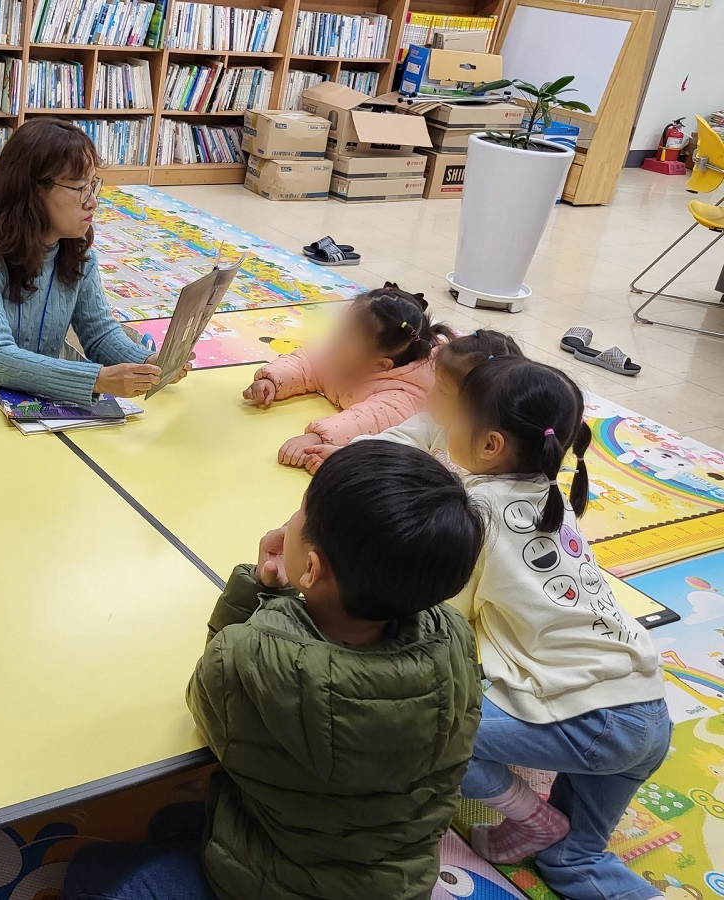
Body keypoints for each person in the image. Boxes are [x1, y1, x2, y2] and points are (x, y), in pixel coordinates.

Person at [64, 441, 485, 900]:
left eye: (302, 510)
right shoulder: (454, 637)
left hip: (280, 884)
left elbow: (209, 703)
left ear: (311, 567)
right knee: (174, 821)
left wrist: (258, 594)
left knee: (90, 871)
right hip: (397, 881)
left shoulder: (252, 658)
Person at [445, 357, 671, 900]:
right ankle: (545, 836)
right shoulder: (554, 498)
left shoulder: (472, 511)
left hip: (597, 721)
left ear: (490, 444)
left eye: (455, 417)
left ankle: (531, 817)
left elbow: (447, 619)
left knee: (437, 731)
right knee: (574, 861)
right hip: (648, 708)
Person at [0, 118, 187, 403]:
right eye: (80, 188)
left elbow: (100, 334)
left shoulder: (77, 252)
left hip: (27, 406)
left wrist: (148, 363)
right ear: (33, 189)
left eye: (93, 186)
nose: (92, 201)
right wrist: (97, 379)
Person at [243, 283, 452, 473]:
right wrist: (273, 380)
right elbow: (308, 362)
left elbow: (365, 420)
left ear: (379, 365)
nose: (334, 341)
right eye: (340, 332)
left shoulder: (403, 393)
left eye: (344, 339)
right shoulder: (343, 356)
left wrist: (318, 437)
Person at [354, 329, 523, 473]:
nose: (430, 395)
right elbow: (390, 441)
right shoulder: (432, 423)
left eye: (442, 391)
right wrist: (352, 453)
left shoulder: (501, 465)